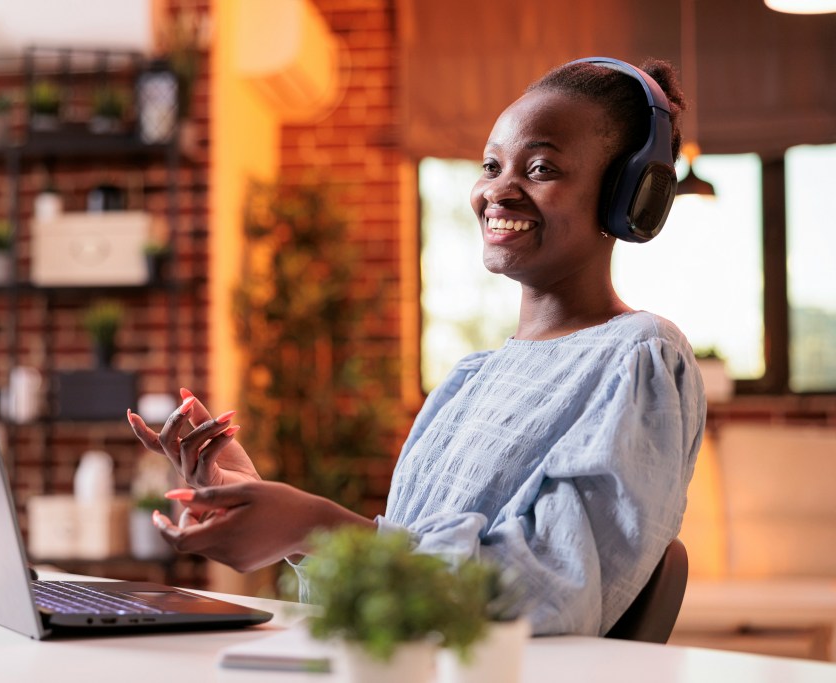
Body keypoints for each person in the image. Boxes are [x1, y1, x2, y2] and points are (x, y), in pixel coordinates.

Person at [127, 56, 706, 637]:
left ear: (626, 198)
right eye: (491, 164)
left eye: (540, 168)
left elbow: (543, 594)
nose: (498, 190)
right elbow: (393, 590)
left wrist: (320, 528)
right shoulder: (468, 380)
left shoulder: (640, 357)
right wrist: (249, 496)